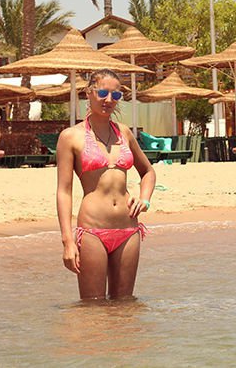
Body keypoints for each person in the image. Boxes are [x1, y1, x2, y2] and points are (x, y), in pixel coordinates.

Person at [56, 69, 156, 300]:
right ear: (88, 92)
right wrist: (68, 241)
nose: (109, 100)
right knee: (92, 307)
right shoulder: (70, 137)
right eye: (102, 93)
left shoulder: (124, 133)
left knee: (126, 306)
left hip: (128, 230)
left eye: (116, 95)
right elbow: (64, 191)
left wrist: (145, 200)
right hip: (93, 231)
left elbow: (148, 172)